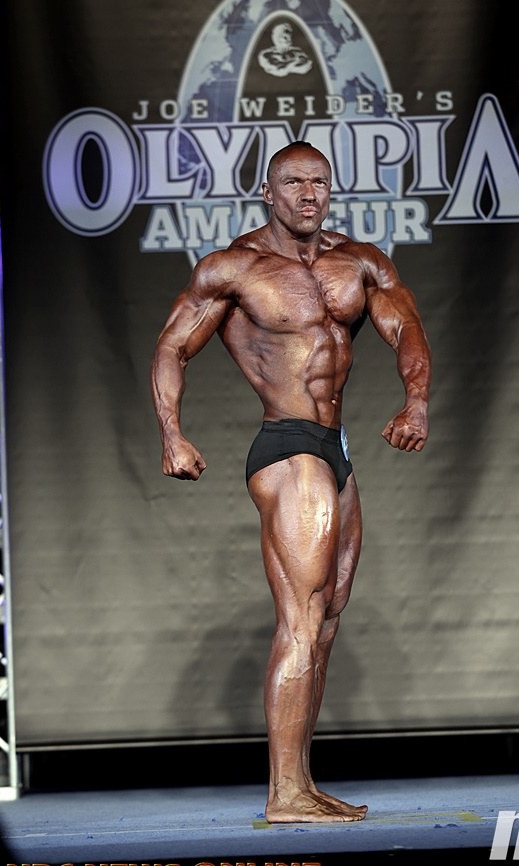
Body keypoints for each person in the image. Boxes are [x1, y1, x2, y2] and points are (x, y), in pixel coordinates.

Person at [151, 141, 431, 824]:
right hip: (287, 444)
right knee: (301, 618)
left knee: (328, 618)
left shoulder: (360, 262)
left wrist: (417, 401)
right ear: (267, 193)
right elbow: (172, 346)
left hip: (335, 447)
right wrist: (172, 433)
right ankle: (283, 794)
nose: (309, 194)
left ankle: (302, 781)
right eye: (294, 183)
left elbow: (406, 328)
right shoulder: (234, 268)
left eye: (320, 182)